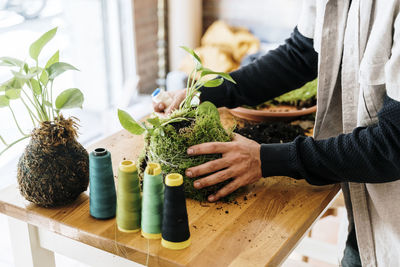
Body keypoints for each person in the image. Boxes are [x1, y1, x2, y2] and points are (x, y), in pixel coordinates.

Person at [154, 1, 400, 266]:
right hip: (370, 216)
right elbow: (300, 54)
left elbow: (393, 146)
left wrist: (265, 160)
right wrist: (209, 92)